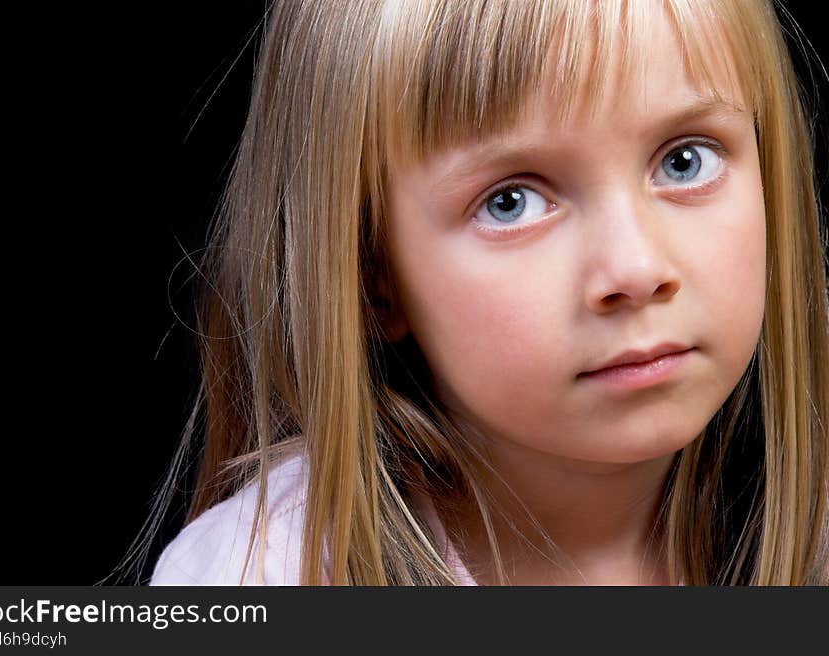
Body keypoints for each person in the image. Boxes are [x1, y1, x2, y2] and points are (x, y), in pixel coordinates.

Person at [147, 0, 829, 585]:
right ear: (372, 275)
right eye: (510, 202)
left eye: (685, 160)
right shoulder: (263, 575)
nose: (635, 267)